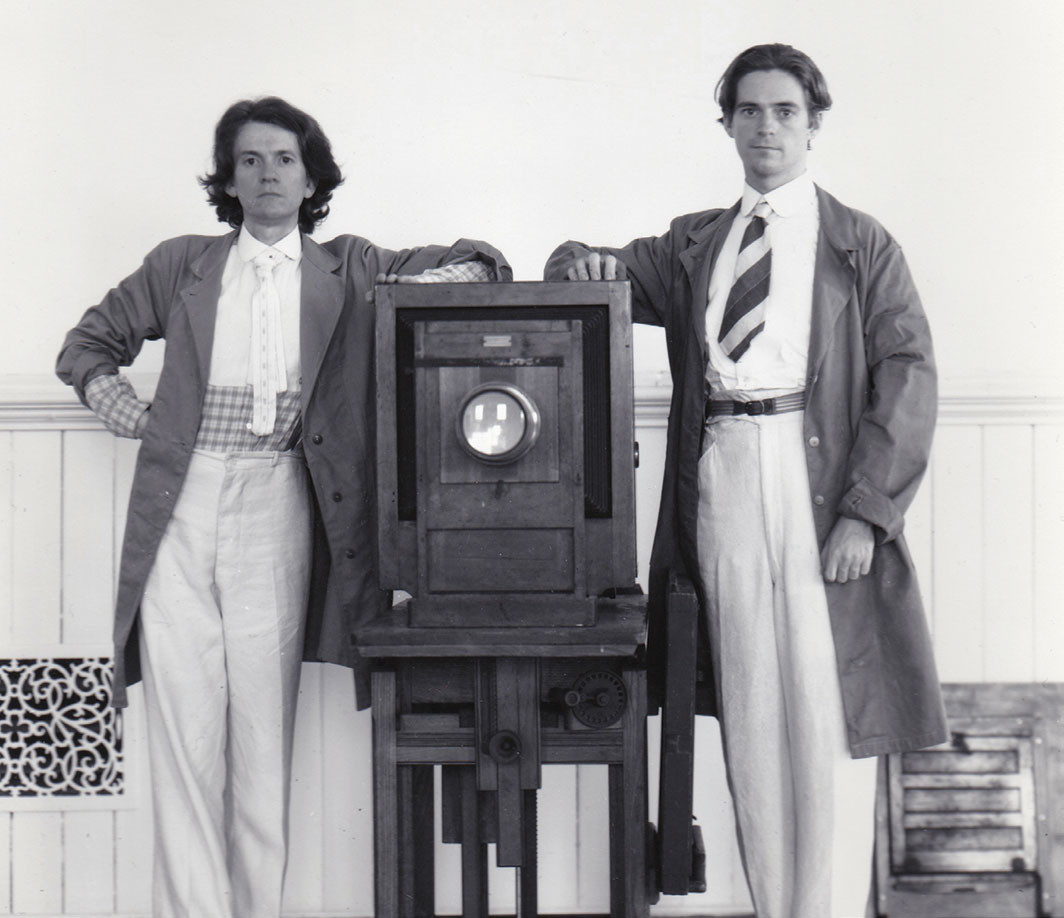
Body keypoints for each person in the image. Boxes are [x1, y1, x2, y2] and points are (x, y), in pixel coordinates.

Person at [56, 96, 510, 918]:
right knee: (182, 737)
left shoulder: (350, 266)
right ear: (228, 179)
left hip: (279, 503)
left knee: (264, 740)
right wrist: (128, 411)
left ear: (312, 177)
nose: (268, 175)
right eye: (250, 160)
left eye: (285, 159)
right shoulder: (182, 264)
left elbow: (482, 260)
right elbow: (87, 344)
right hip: (180, 506)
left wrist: (413, 288)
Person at [545, 44, 946, 918]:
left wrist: (865, 514)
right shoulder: (696, 243)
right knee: (753, 714)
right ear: (727, 122)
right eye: (750, 110)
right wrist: (580, 260)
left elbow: (908, 375)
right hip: (721, 473)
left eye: (786, 111)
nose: (767, 126)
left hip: (817, 482)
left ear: (813, 124)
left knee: (826, 707)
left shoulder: (858, 242)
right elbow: (589, 259)